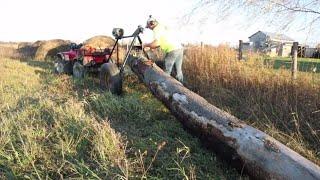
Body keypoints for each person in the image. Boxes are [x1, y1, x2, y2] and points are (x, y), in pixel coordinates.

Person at [143, 15, 184, 83]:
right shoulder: (162, 26)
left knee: (166, 72)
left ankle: (165, 89)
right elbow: (160, 42)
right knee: (178, 72)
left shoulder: (157, 29)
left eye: (149, 27)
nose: (150, 29)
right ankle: (182, 89)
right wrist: (151, 47)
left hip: (172, 50)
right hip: (179, 48)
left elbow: (156, 43)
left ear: (152, 23)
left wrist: (145, 45)